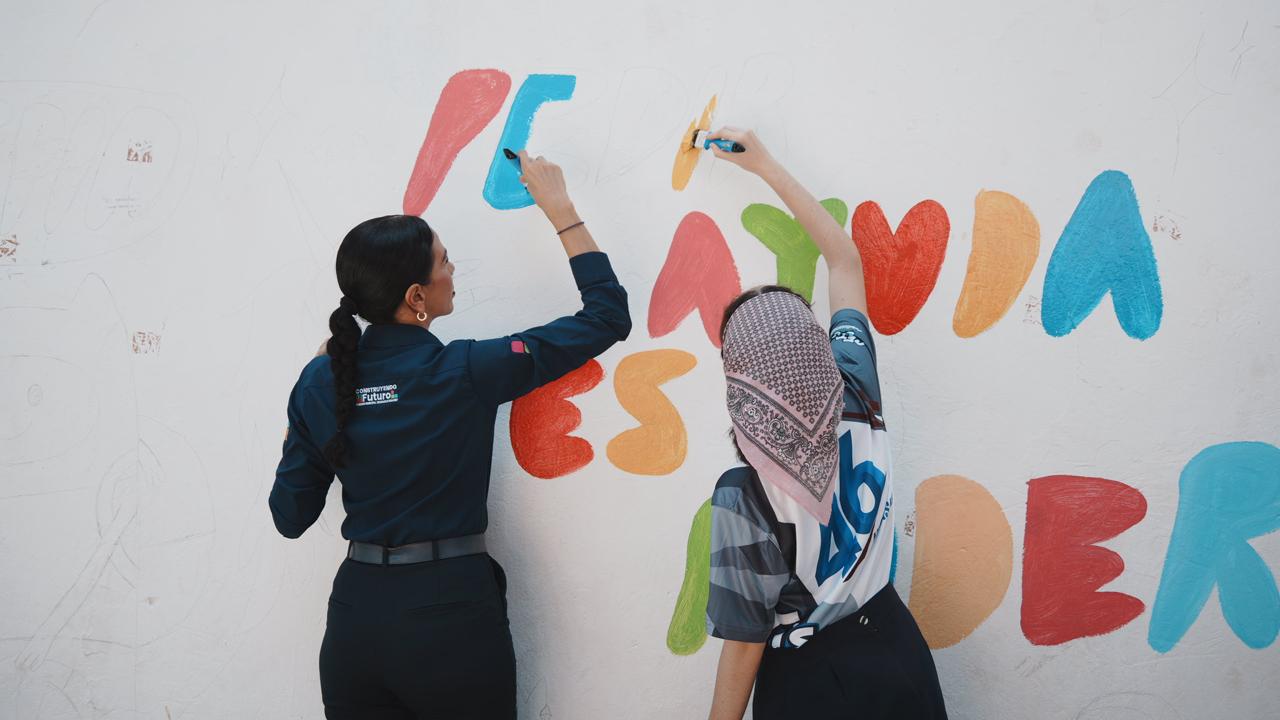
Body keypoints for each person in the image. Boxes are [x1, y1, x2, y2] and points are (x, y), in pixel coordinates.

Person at [268, 152, 631, 719]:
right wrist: (561, 210)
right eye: (443, 261)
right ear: (416, 298)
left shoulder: (321, 381)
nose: (452, 269)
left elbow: (289, 517)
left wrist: (305, 402)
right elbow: (607, 316)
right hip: (449, 618)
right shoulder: (465, 370)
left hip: (356, 621)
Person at [703, 128, 947, 719]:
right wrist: (766, 165)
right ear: (817, 348)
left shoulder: (744, 496)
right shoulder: (859, 388)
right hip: (897, 650)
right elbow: (844, 259)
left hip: (811, 683)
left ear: (742, 386)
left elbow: (744, 642)